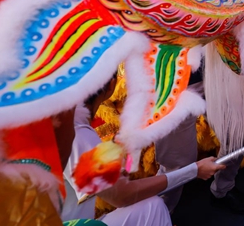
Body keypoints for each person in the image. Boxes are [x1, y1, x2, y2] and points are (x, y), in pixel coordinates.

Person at [61, 75, 226, 225]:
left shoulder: (59, 116)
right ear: (112, 85)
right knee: (154, 208)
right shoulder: (77, 134)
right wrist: (195, 170)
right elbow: (122, 196)